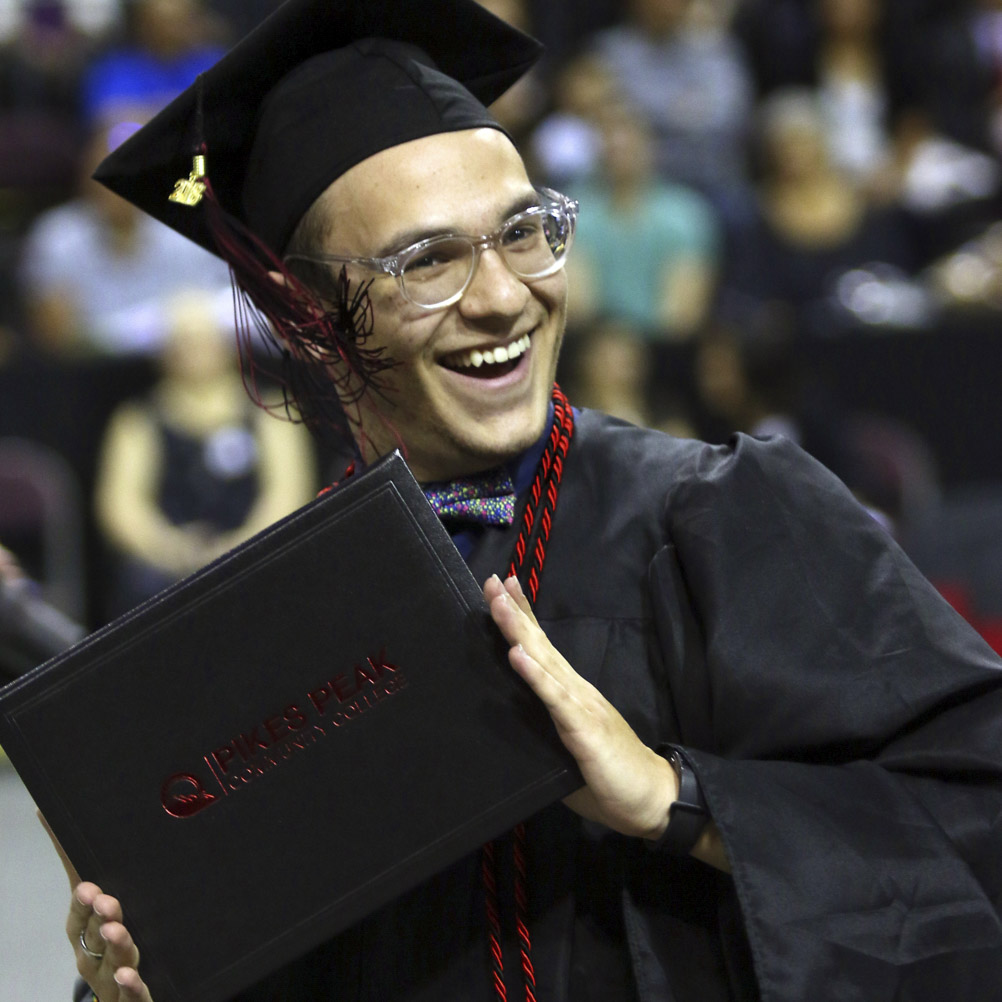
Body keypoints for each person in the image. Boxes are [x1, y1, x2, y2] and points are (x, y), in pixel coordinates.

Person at [57, 0, 1002, 1000]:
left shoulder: (725, 521)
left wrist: (677, 800)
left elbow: (976, 822)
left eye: (523, 232)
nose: (504, 295)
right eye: (426, 261)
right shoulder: (262, 630)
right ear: (307, 316)